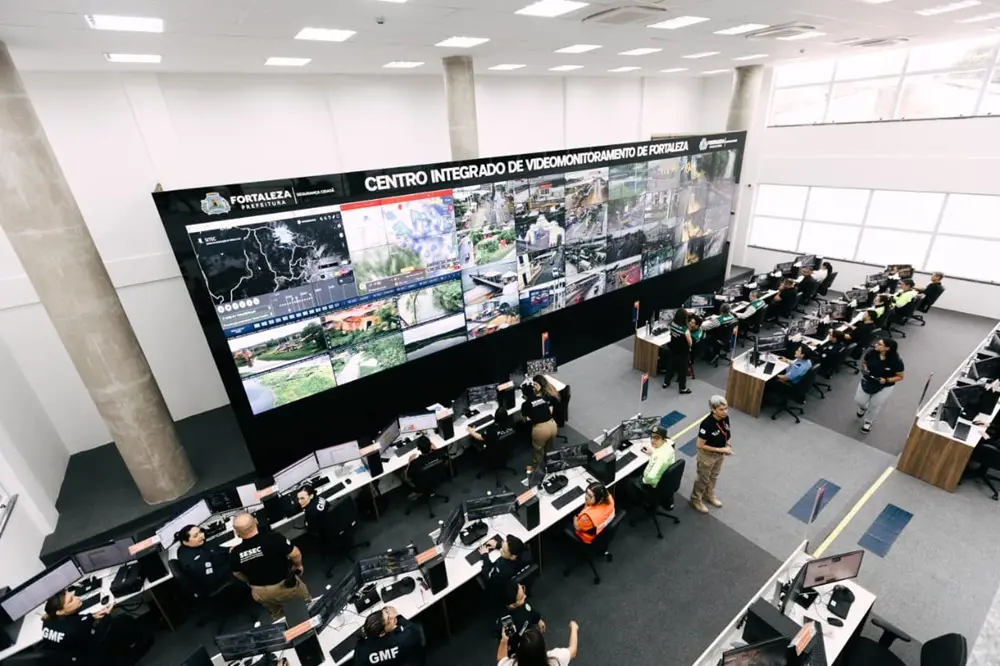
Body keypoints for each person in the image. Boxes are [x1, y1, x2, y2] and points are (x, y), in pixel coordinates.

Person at [228, 512, 309, 620]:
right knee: (306, 606)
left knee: (277, 616)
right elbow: (295, 553)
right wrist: (298, 565)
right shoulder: (273, 538)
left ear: (237, 533)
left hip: (259, 592)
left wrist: (250, 582)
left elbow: (237, 573)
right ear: (256, 522)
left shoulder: (234, 552)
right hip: (284, 587)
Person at [41, 589, 151, 665]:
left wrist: (92, 617)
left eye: (73, 596)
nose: (77, 598)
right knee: (122, 621)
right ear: (60, 611)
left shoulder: (47, 622)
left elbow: (77, 622)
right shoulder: (75, 629)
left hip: (73, 658)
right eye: (71, 600)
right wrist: (107, 614)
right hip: (92, 658)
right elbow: (98, 635)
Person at [691, 395, 733, 514]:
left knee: (714, 476)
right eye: (721, 409)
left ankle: (709, 495)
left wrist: (728, 446)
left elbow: (727, 434)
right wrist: (721, 450)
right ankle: (696, 499)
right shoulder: (707, 424)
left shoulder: (725, 418)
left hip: (720, 454)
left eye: (726, 408)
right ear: (713, 409)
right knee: (703, 479)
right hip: (707, 455)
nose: (725, 412)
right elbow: (700, 445)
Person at [856, 338, 905, 434]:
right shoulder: (871, 353)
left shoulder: (896, 361)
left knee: (875, 405)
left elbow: (900, 376)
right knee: (859, 401)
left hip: (884, 385)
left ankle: (868, 422)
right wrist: (864, 368)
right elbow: (864, 363)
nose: (876, 344)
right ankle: (862, 407)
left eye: (879, 344)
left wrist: (886, 380)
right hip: (868, 379)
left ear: (887, 348)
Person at [354, 606, 425, 666]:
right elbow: (415, 630)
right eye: (389, 619)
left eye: (387, 612)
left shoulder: (361, 648)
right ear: (381, 633)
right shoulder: (401, 640)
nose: (392, 617)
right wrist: (398, 617)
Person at [175, 524, 232, 593]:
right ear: (185, 542)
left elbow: (213, 549)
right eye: (195, 536)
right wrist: (234, 562)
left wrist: (231, 550)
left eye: (200, 532)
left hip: (219, 565)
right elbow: (211, 579)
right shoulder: (195, 562)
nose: (201, 536)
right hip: (217, 584)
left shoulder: (194, 545)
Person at [497, 621, 579, 666]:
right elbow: (573, 650)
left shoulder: (509, 664)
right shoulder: (555, 660)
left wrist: (504, 641)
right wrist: (574, 627)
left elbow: (501, 659)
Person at [521, 383, 558, 469]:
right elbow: (550, 411)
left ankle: (540, 468)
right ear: (534, 391)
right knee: (549, 447)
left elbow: (524, 420)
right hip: (552, 425)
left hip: (541, 430)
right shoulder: (542, 398)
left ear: (524, 395)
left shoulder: (525, 404)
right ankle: (551, 464)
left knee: (538, 450)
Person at [661, 308, 693, 394]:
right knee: (682, 370)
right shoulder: (685, 330)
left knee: (670, 366)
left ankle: (666, 382)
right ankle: (682, 388)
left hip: (673, 348)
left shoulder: (672, 324)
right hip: (683, 352)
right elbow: (690, 342)